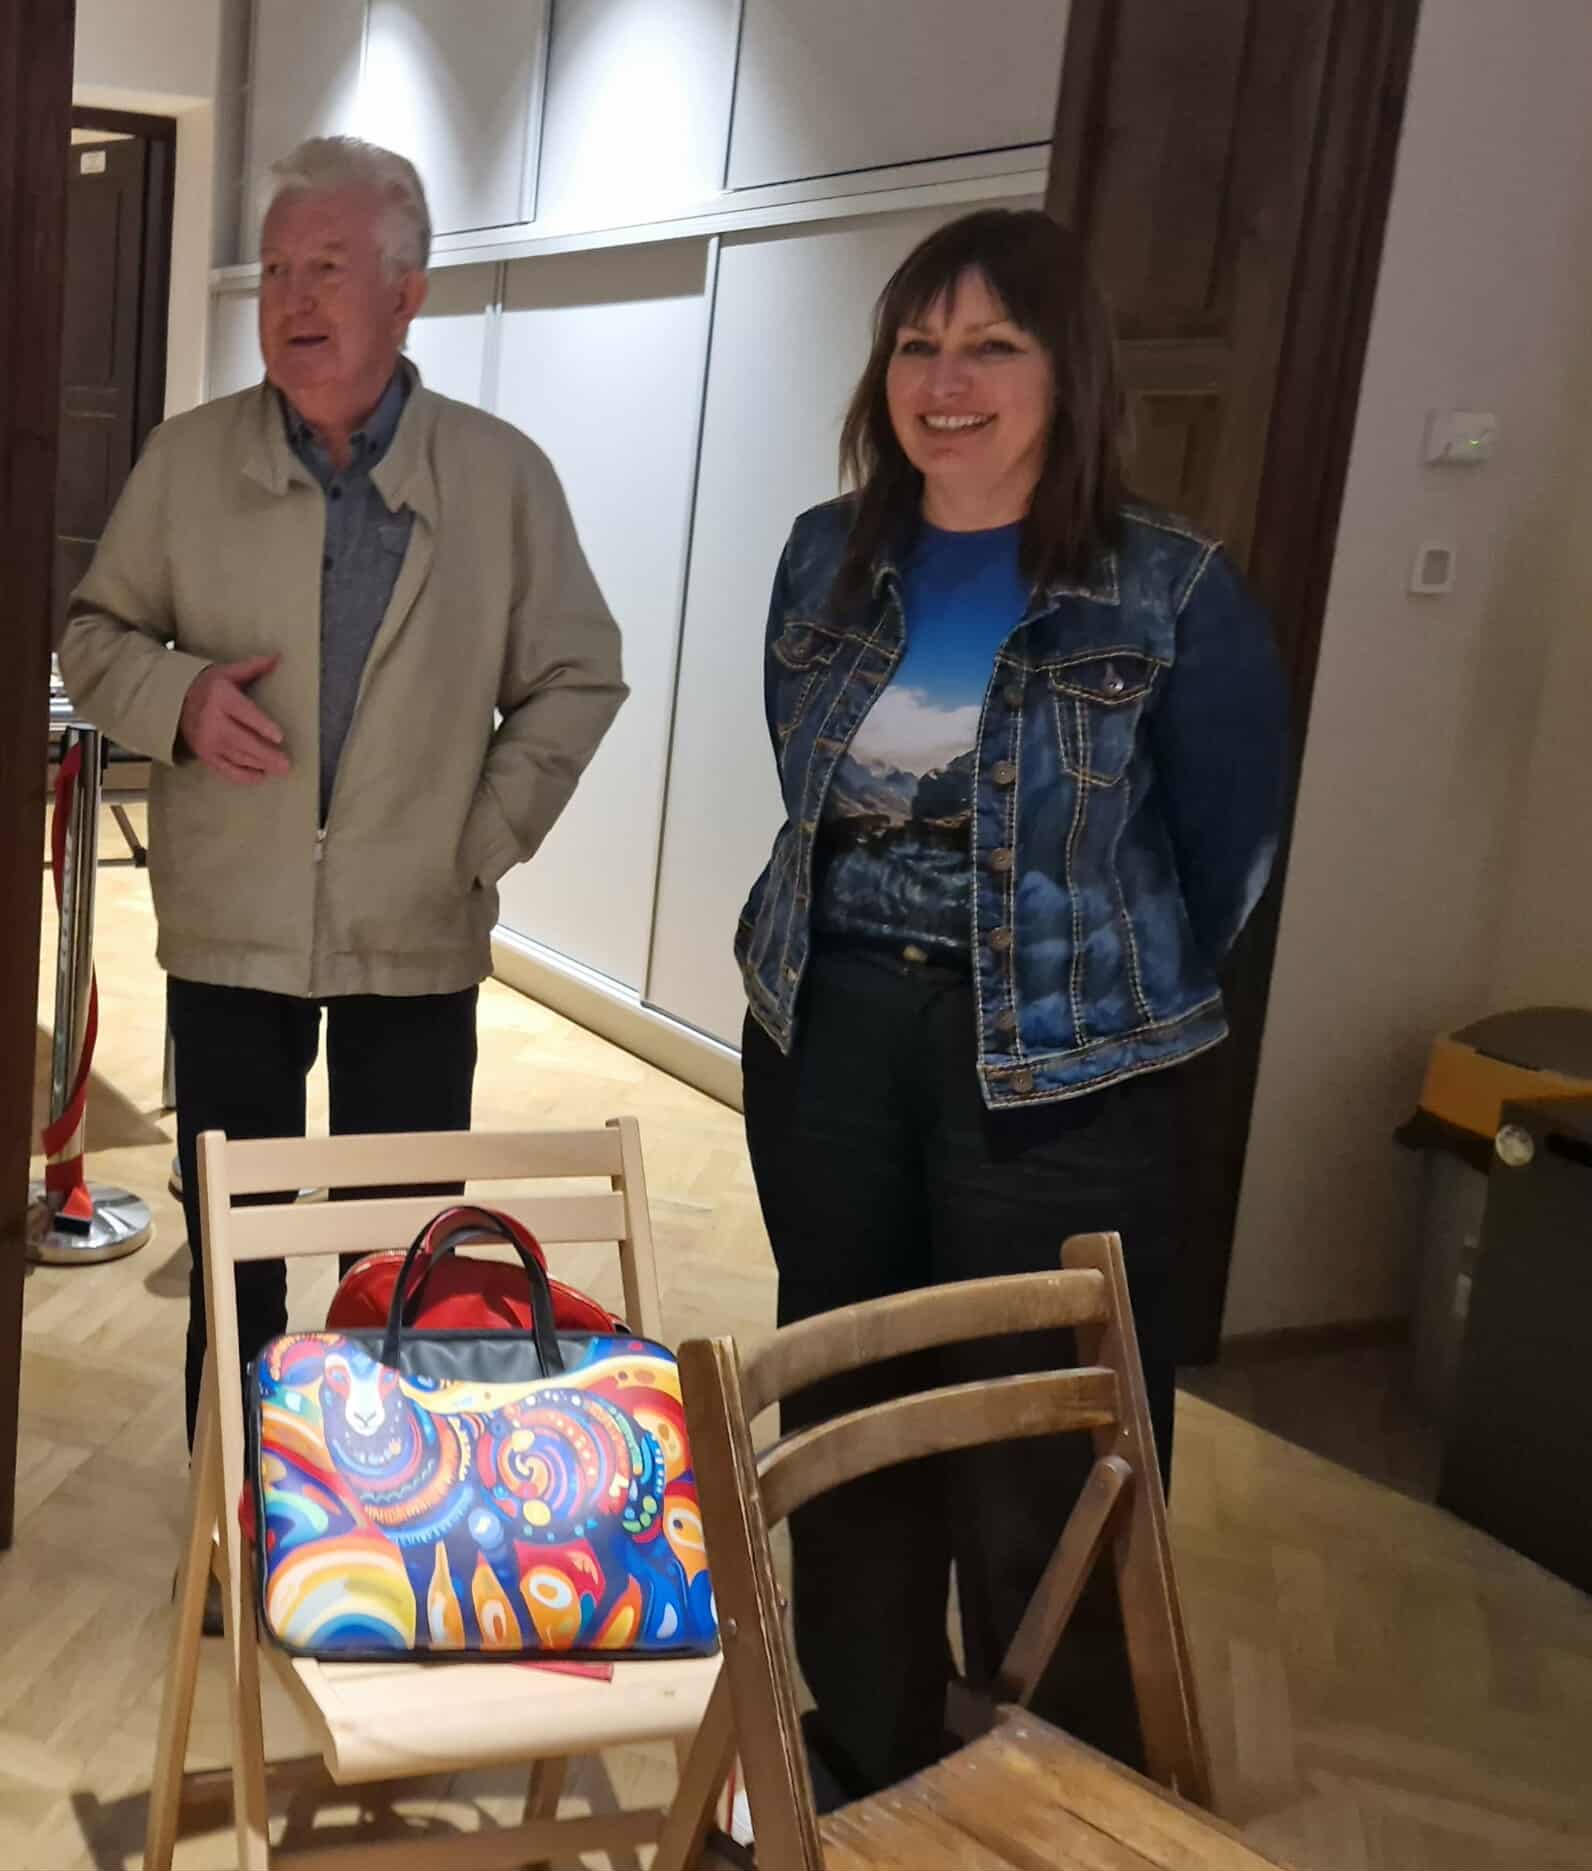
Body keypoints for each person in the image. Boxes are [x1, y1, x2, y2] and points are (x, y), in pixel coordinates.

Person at [736, 207, 1289, 1799]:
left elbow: (1232, 854)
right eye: (918, 346)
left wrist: (1089, 991)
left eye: (992, 346)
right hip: (830, 1036)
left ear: (1071, 373)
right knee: (849, 1392)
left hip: (1067, 1080)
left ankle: (1062, 1783)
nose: (946, 381)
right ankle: (865, 1750)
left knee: (1049, 1442)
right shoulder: (823, 555)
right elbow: (805, 784)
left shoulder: (1170, 589)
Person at [59, 136, 626, 1450]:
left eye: (327, 269)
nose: (293, 301)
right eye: (275, 272)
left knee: (401, 1267)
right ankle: (239, 1520)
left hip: (415, 936)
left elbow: (576, 677)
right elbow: (95, 636)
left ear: (406, 294)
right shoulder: (187, 461)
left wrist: (479, 836)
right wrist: (179, 699)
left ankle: (387, 1515)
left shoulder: (498, 476)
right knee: (235, 1267)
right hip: (230, 932)